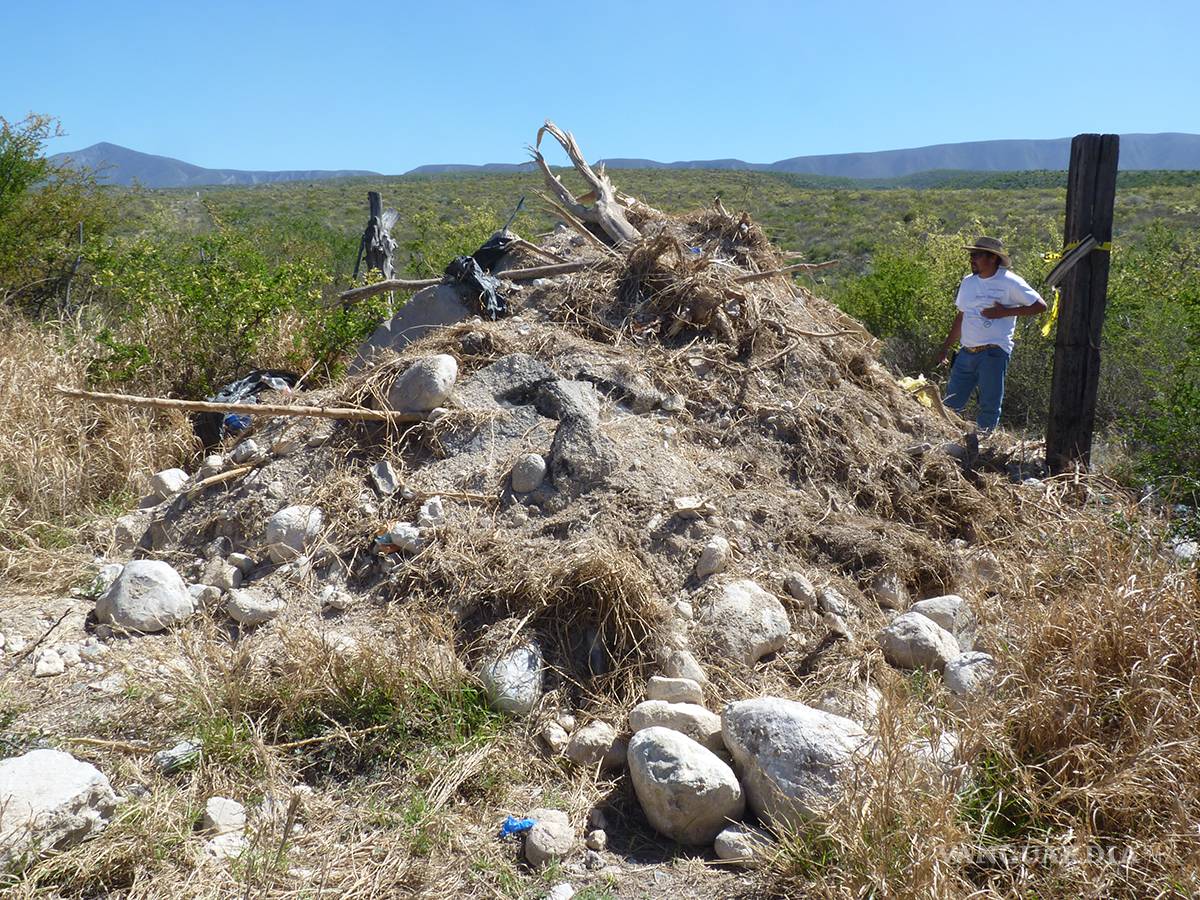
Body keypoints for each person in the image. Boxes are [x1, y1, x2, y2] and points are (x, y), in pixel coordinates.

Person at [937, 236, 1046, 432]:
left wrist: (1003, 312)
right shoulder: (968, 282)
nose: (972, 260)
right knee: (950, 404)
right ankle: (948, 442)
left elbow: (1040, 306)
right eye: (971, 255)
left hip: (993, 352)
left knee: (989, 405)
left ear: (993, 258)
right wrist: (946, 347)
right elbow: (961, 316)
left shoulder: (1010, 281)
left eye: (976, 255)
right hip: (966, 352)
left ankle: (984, 446)